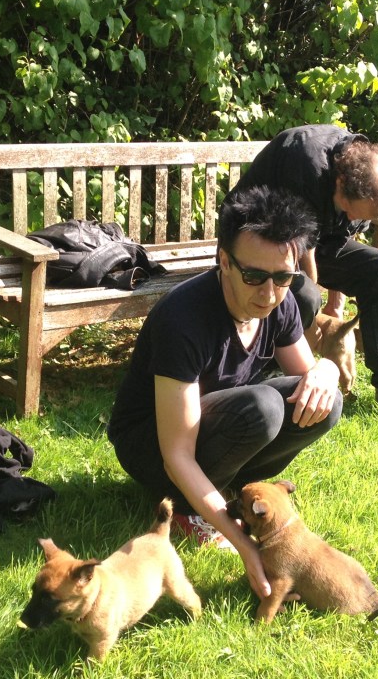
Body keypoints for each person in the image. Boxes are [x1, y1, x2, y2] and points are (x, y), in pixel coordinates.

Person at [107, 184, 343, 601]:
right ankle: (188, 510)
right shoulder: (183, 319)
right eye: (253, 276)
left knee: (326, 402)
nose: (268, 293)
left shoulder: (280, 302)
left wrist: (327, 369)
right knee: (263, 408)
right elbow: (177, 454)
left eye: (283, 277)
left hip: (210, 427)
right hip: (151, 448)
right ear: (224, 262)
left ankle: (231, 490)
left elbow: (306, 380)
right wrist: (244, 543)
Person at [225, 124, 378, 430]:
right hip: (254, 240)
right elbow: (302, 247)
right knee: (304, 293)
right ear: (340, 182)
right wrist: (316, 311)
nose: (352, 218)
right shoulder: (306, 163)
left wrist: (336, 305)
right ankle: (268, 374)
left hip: (311, 239)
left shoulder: (360, 174)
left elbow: (343, 237)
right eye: (350, 211)